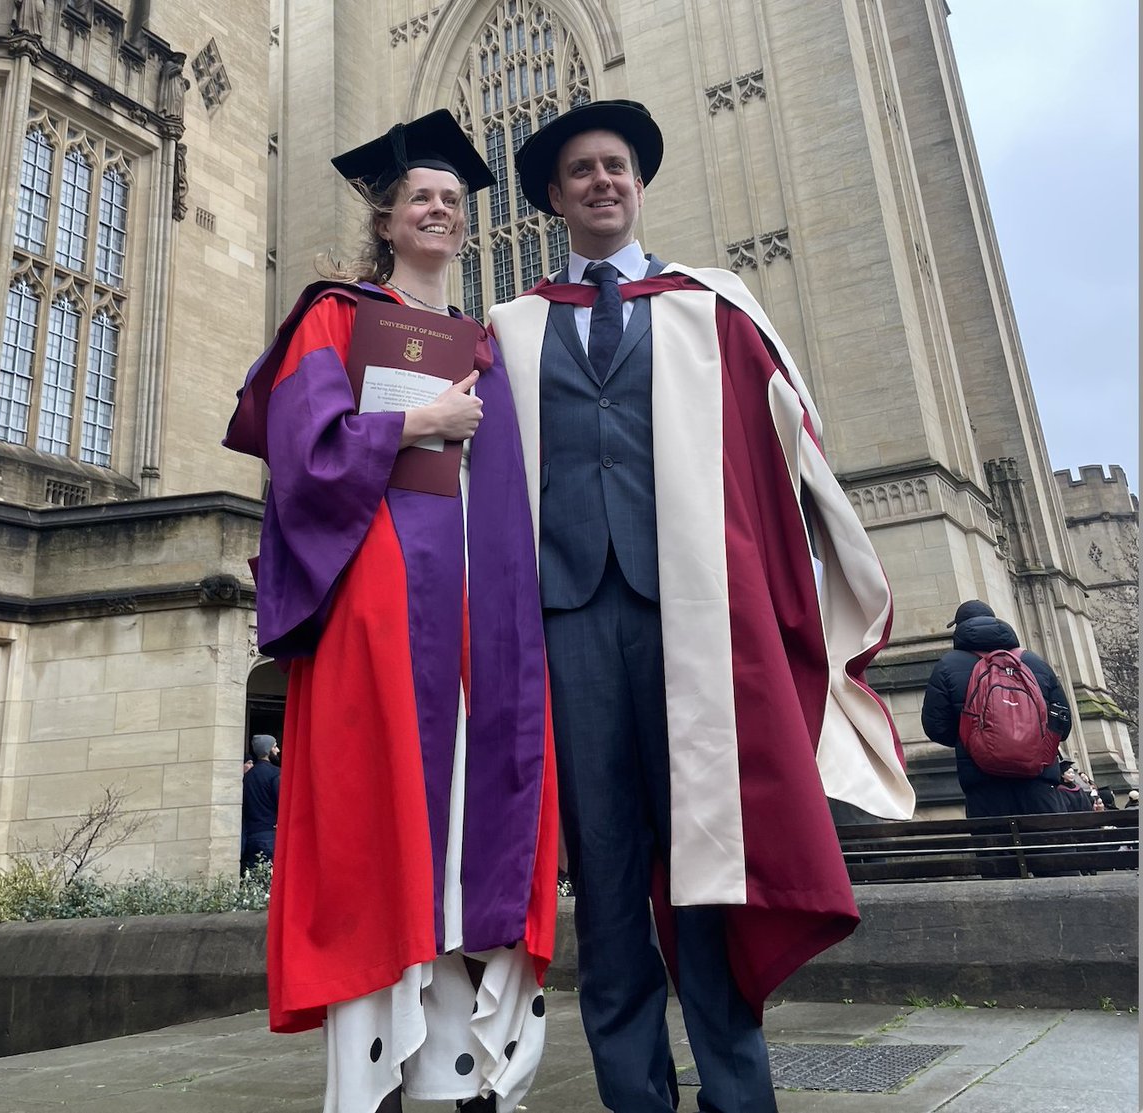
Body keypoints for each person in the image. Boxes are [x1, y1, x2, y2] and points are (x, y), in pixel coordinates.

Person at [488, 99, 914, 1113]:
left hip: (696, 622)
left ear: (638, 184)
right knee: (606, 873)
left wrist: (832, 584)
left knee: (711, 863)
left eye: (617, 166)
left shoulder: (714, 306)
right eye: (582, 170)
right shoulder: (508, 329)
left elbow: (786, 455)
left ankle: (737, 1091)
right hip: (568, 622)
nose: (602, 181)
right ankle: (634, 1094)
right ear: (554, 197)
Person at [223, 110, 558, 1113]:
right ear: (386, 219)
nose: (443, 211)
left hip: (477, 613)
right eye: (423, 198)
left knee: (470, 828)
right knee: (392, 820)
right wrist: (418, 420)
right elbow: (306, 451)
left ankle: (462, 1070)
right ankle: (386, 1070)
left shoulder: (488, 342)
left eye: (454, 201)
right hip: (383, 607)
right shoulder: (336, 316)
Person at [922, 600, 1073, 817]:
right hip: (1039, 784)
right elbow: (1063, 724)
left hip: (984, 786)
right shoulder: (1033, 661)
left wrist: (974, 739)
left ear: (960, 628)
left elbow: (936, 727)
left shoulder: (948, 665)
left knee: (997, 847)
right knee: (1046, 847)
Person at [240, 733, 280, 873]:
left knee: (254, 882)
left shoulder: (248, 776)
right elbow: (281, 802)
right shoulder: (275, 773)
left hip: (251, 835)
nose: (277, 750)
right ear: (268, 750)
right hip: (270, 833)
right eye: (275, 747)